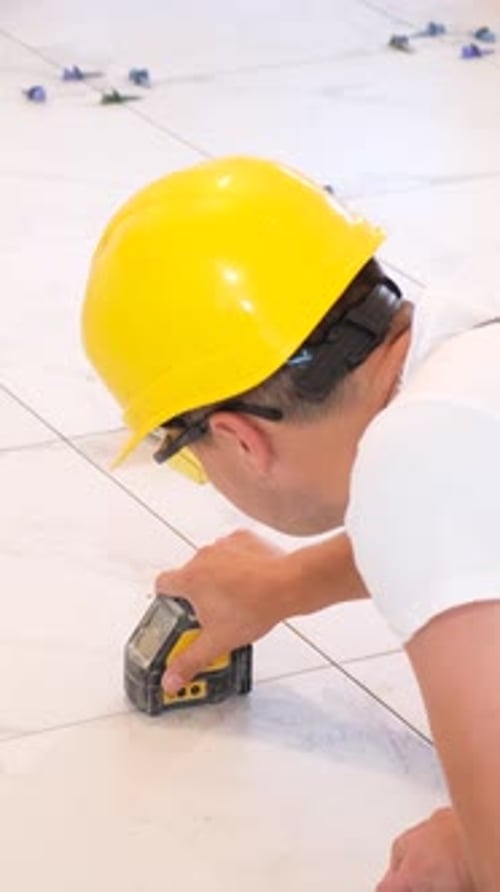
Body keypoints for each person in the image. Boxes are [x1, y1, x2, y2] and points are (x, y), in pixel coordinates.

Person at [82, 157, 500, 891]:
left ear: (242, 439)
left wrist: (473, 842)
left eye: (189, 457)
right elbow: (473, 513)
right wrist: (286, 584)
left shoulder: (416, 459)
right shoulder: (470, 352)